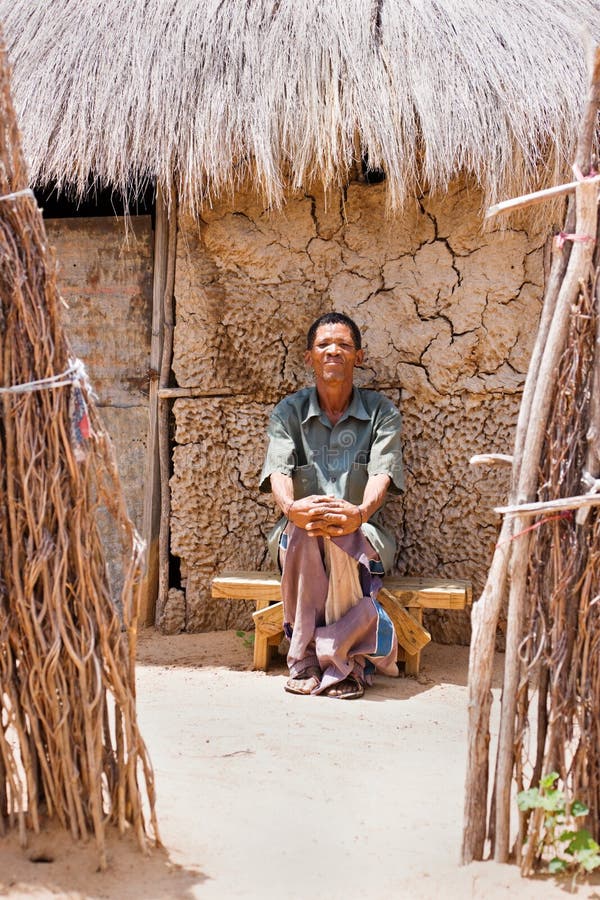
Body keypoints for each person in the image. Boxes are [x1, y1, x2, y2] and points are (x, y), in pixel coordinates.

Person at [259, 312, 404, 699]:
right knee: (309, 533)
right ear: (309, 357)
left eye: (343, 345)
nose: (333, 352)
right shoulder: (288, 412)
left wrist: (358, 513)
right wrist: (292, 508)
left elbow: (382, 475)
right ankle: (331, 660)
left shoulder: (381, 412)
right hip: (296, 535)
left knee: (344, 535)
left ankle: (322, 659)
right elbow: (278, 469)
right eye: (323, 345)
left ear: (358, 356)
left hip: (364, 531)